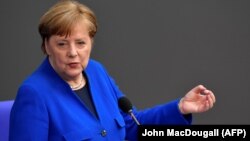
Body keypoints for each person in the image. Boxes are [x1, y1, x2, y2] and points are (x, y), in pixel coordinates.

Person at [9, 0, 216, 141]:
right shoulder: (34, 94)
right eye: (62, 44)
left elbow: (131, 125)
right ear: (46, 46)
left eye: (80, 43)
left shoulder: (97, 72)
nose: (73, 53)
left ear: (91, 42)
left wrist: (180, 108)